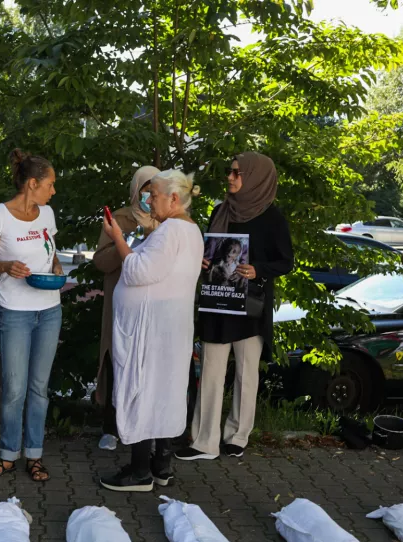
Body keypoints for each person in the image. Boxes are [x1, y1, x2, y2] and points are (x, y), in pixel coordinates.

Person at [97, 169, 204, 492]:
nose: (148, 199)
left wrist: (118, 237)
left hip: (152, 332)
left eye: (154, 194)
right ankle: (158, 465)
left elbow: (139, 271)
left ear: (173, 198)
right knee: (158, 393)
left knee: (144, 392)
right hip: (163, 328)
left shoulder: (172, 230)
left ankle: (140, 470)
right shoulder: (187, 230)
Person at [183, 152, 293, 461]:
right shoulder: (221, 211)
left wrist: (258, 269)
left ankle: (237, 437)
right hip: (218, 302)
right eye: (230, 172)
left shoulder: (272, 216)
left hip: (250, 307)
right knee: (212, 373)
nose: (229, 178)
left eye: (236, 173)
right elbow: (210, 250)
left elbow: (285, 261)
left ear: (256, 177)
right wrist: (203, 259)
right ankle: (204, 441)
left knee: (247, 374)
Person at [0, 150, 63, 482]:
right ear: (32, 183)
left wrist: (55, 265)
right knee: (14, 389)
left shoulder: (47, 214)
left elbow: (50, 252)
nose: (53, 191)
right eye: (50, 184)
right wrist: (5, 266)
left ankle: (35, 455)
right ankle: (8, 454)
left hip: (49, 310)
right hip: (15, 312)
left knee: (39, 388)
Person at [93, 165, 158, 450]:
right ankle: (111, 426)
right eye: (145, 189)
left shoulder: (167, 221)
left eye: (154, 190)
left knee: (147, 365)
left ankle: (146, 428)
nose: (149, 195)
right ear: (136, 190)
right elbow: (101, 262)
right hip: (120, 304)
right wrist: (126, 242)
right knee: (115, 359)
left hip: (152, 305)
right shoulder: (118, 218)